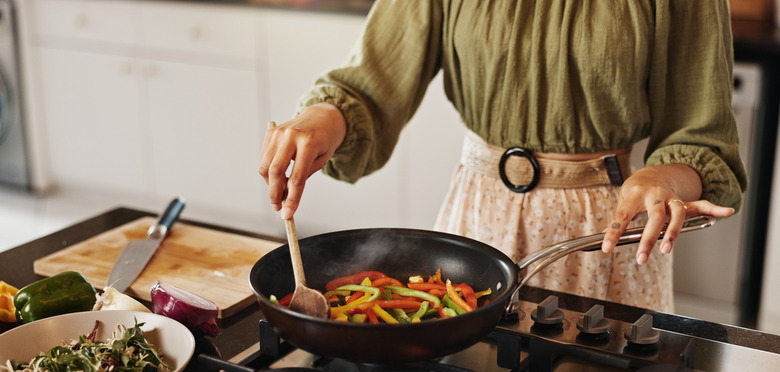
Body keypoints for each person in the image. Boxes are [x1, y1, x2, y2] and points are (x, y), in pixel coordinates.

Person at [259, 1, 746, 312]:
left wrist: (663, 178)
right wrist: (324, 117)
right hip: (476, 222)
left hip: (607, 234)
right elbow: (370, 85)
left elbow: (700, 136)